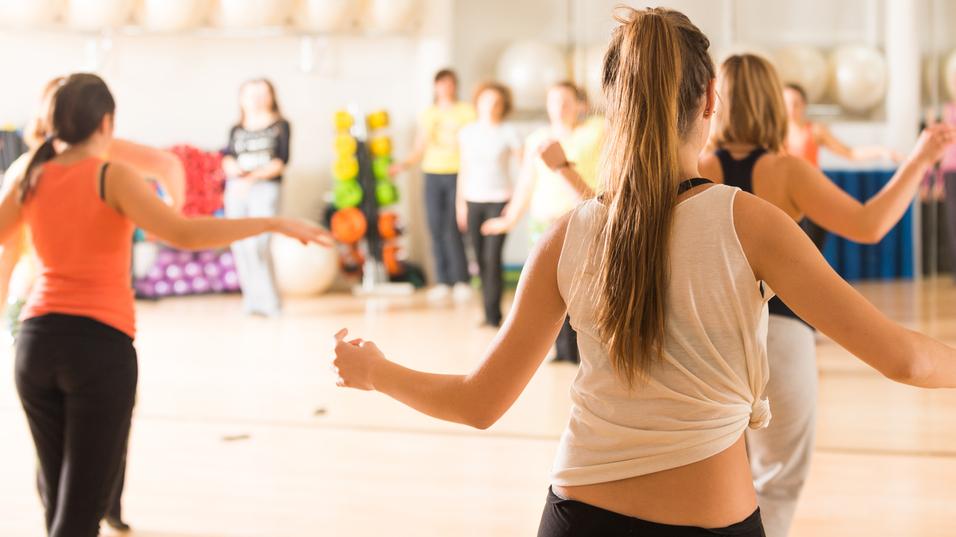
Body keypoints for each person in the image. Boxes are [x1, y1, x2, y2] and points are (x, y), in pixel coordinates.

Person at [330, 7, 956, 536]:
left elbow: (478, 403)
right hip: (711, 519)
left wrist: (375, 371)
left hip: (577, 513)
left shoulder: (565, 237)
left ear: (614, 105)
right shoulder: (753, 222)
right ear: (711, 99)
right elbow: (904, 359)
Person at [6, 73, 329, 537]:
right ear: (106, 122)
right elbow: (186, 233)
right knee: (77, 515)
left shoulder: (32, 175)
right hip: (97, 349)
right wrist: (273, 222)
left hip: (35, 347)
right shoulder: (109, 174)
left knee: (57, 501)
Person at [699, 53, 956, 537]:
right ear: (774, 103)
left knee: (719, 475)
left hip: (712, 339)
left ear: (715, 100)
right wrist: (921, 159)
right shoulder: (787, 171)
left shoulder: (697, 168)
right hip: (783, 335)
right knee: (777, 480)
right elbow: (869, 224)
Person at [482, 81, 604, 363]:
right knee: (550, 290)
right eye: (554, 101)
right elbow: (526, 183)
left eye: (566, 101)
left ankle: (580, 351)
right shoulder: (537, 138)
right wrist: (508, 219)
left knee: (582, 287)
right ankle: (561, 350)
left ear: (579, 105)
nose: (560, 107)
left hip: (581, 218)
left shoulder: (595, 132)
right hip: (544, 223)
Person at [391, 69, 476, 303]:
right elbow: (420, 146)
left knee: (453, 228)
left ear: (455, 86)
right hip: (432, 173)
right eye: (441, 84)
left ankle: (461, 280)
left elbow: (473, 142)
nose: (445, 88)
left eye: (450, 83)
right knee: (435, 227)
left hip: (458, 173)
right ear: (435, 87)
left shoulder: (466, 112)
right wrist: (404, 164)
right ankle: (442, 280)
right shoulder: (428, 114)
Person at [221, 78, 291, 317]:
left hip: (265, 188)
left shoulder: (281, 125)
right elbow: (228, 155)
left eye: (262, 93)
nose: (257, 99)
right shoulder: (236, 128)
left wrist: (251, 179)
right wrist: (232, 170)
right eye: (251, 94)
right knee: (239, 245)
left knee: (258, 245)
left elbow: (281, 162)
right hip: (236, 189)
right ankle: (252, 301)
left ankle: (271, 302)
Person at [455, 81, 522, 327]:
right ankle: (487, 311)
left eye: (496, 102)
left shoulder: (509, 132)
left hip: (500, 201)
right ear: (478, 102)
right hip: (473, 200)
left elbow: (526, 169)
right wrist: (460, 205)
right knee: (480, 260)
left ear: (503, 106)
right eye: (486, 100)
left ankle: (495, 315)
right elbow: (463, 169)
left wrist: (515, 202)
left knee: (493, 258)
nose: (491, 106)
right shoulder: (467, 133)